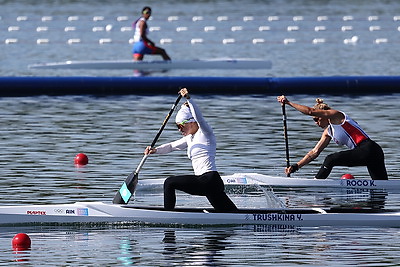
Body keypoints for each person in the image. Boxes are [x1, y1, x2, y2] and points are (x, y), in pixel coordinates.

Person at [145, 88, 238, 212]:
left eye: (180, 126)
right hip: (209, 183)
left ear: (191, 122)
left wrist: (189, 99)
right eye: (177, 126)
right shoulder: (190, 138)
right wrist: (155, 150)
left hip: (208, 180)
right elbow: (172, 146)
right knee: (231, 214)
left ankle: (167, 215)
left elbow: (199, 118)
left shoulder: (205, 133)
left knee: (169, 182)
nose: (179, 129)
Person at [276, 95, 388, 180]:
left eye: (316, 119)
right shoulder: (328, 132)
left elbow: (310, 111)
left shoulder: (337, 116)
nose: (315, 123)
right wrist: (296, 166)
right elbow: (314, 153)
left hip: (369, 149)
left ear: (322, 115)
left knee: (330, 159)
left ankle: (316, 183)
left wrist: (289, 103)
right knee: (381, 188)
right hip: (368, 153)